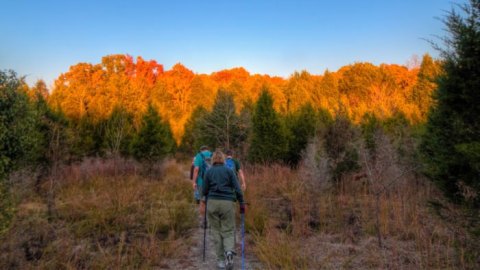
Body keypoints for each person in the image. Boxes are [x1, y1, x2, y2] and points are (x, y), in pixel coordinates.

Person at [203, 150, 245, 270]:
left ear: (213, 160)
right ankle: (229, 252)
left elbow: (204, 191)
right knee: (228, 229)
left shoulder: (209, 171)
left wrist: (204, 197)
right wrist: (241, 201)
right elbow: (237, 188)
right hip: (227, 203)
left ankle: (221, 261)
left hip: (212, 203)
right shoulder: (229, 171)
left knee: (216, 231)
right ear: (223, 159)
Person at [192, 146, 212, 215]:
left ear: (201, 150)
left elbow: (196, 169)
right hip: (212, 182)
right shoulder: (212, 155)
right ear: (207, 149)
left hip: (201, 182)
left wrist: (194, 182)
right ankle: (210, 220)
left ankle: (203, 221)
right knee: (211, 201)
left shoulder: (198, 156)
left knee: (202, 201)